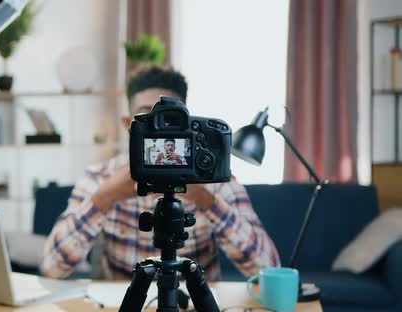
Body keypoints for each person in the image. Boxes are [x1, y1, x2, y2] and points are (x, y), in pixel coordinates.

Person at [41, 66, 280, 280]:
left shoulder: (213, 179)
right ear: (128, 124)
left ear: (186, 120)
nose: (161, 131)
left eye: (170, 120)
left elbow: (267, 268)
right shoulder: (99, 178)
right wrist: (104, 197)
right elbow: (52, 268)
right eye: (148, 117)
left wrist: (206, 200)